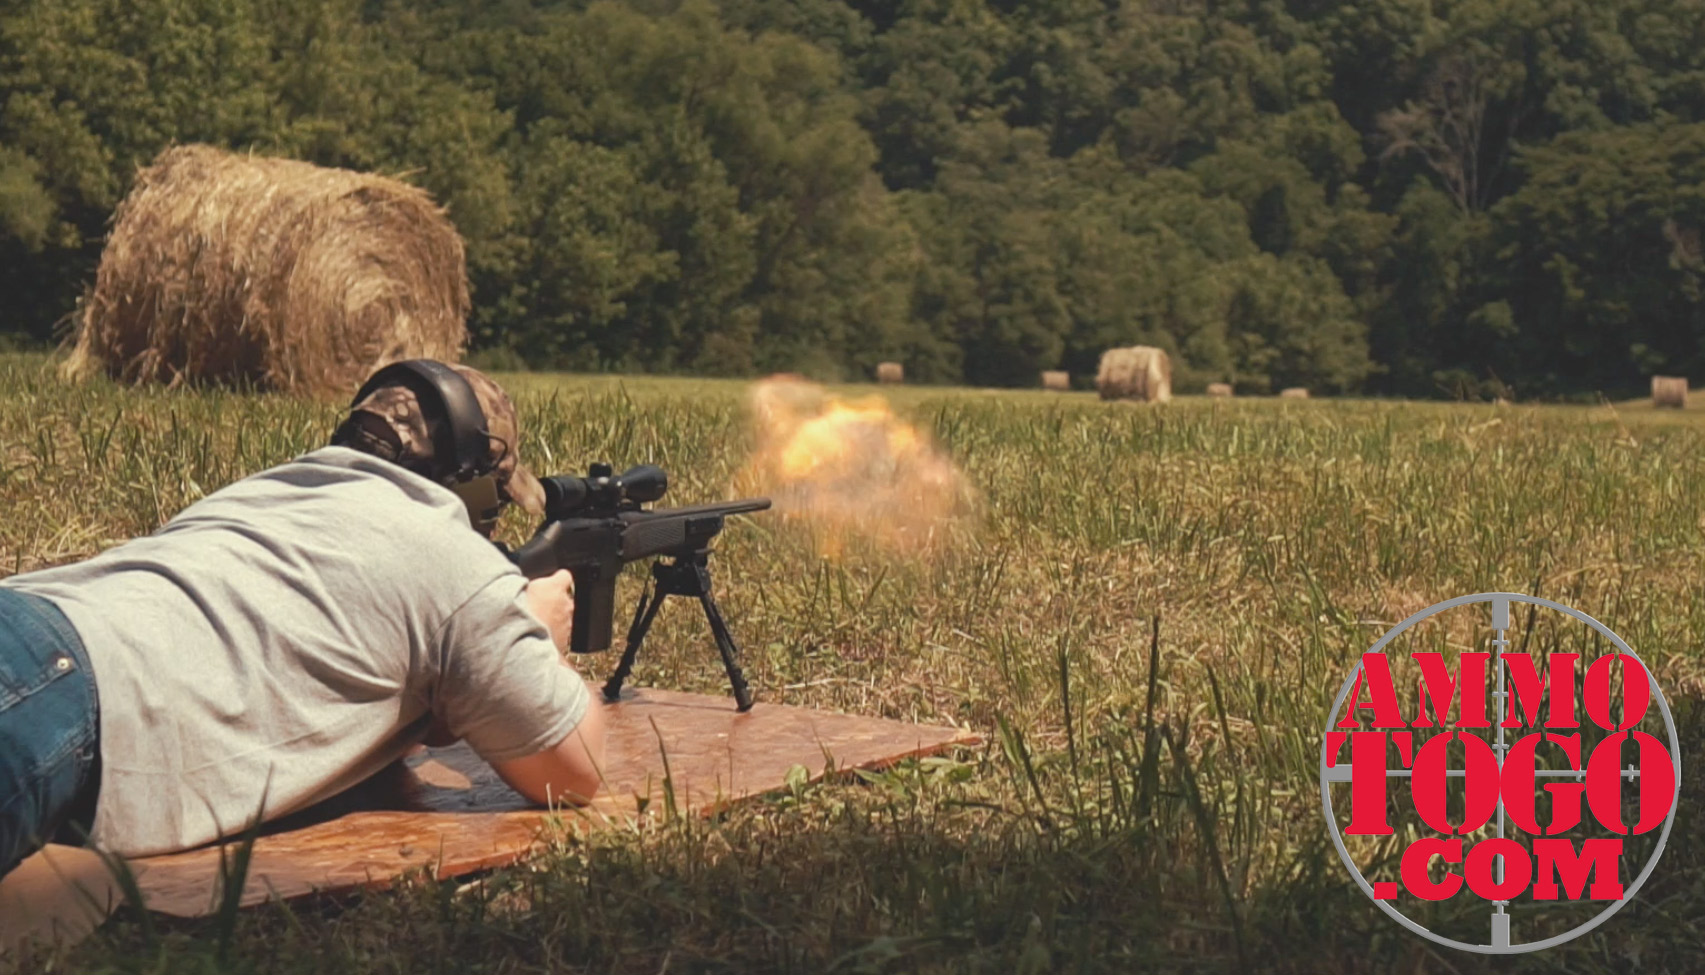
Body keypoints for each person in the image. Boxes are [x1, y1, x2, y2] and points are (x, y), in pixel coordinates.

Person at [0, 360, 604, 878]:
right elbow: (574, 771)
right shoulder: (451, 554)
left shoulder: (263, 493)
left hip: (35, 627)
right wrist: (538, 636)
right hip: (57, 689)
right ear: (470, 483)